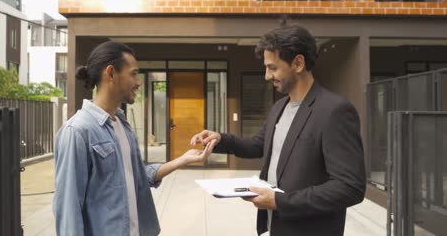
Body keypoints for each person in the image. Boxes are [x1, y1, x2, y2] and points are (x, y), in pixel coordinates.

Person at [190, 23, 366, 236]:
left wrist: (280, 201)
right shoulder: (280, 107)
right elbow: (257, 145)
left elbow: (349, 187)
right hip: (277, 227)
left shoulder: (334, 111)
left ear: (298, 63)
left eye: (272, 67)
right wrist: (221, 139)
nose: (266, 76)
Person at [53, 41, 213, 236]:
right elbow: (68, 211)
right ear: (111, 73)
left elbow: (138, 176)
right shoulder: (77, 131)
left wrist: (183, 159)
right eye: (134, 74)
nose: (138, 82)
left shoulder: (122, 125)